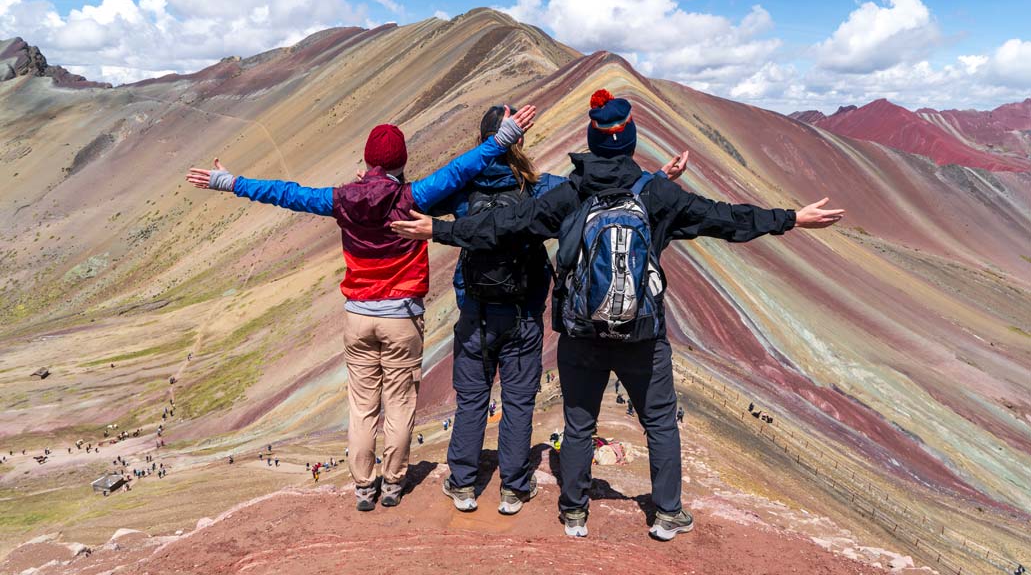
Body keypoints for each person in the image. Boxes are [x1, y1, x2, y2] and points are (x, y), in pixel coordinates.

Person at [392, 88, 843, 541]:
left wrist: (442, 230)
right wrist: (791, 218)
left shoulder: (571, 192)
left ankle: (574, 512)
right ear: (630, 142)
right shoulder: (657, 194)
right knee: (660, 421)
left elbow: (508, 226)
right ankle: (667, 514)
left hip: (581, 331)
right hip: (641, 334)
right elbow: (723, 218)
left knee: (579, 423)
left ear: (592, 140)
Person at [187, 106, 536, 512]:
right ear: (402, 161)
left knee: (363, 406)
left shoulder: (343, 200)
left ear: (368, 161)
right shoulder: (414, 197)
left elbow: (288, 194)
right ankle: (393, 484)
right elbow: (459, 171)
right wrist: (501, 141)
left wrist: (231, 182)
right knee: (400, 403)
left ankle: (364, 486)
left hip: (358, 316)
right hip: (402, 317)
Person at [427, 105, 686, 516]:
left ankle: (462, 484)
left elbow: (422, 197)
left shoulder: (462, 191)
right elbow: (598, 193)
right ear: (520, 141)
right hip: (523, 316)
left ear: (481, 142)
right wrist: (656, 181)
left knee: (472, 400)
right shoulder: (539, 186)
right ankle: (513, 489)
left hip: (475, 312)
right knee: (518, 402)